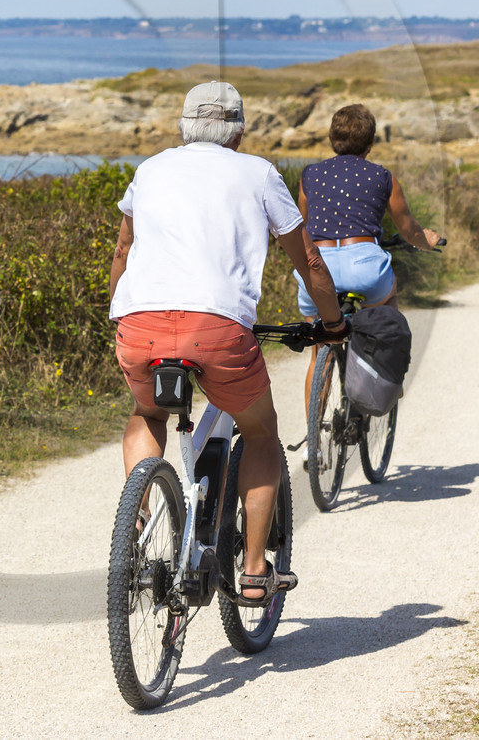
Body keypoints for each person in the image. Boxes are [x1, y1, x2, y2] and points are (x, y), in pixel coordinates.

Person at [108, 81, 345, 602]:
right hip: (216, 329)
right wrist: (332, 323)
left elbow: (123, 251)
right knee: (260, 431)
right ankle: (256, 572)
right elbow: (308, 260)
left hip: (140, 322)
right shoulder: (258, 173)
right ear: (238, 132)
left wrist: (118, 315)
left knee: (148, 414)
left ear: (184, 126)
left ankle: (138, 527)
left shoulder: (150, 169)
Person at [293, 103, 440, 384]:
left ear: (332, 138)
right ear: (371, 142)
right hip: (364, 267)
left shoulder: (309, 175)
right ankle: (388, 374)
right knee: (388, 307)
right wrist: (427, 242)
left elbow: (302, 224)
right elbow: (408, 228)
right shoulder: (383, 177)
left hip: (317, 268)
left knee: (317, 352)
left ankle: (315, 411)